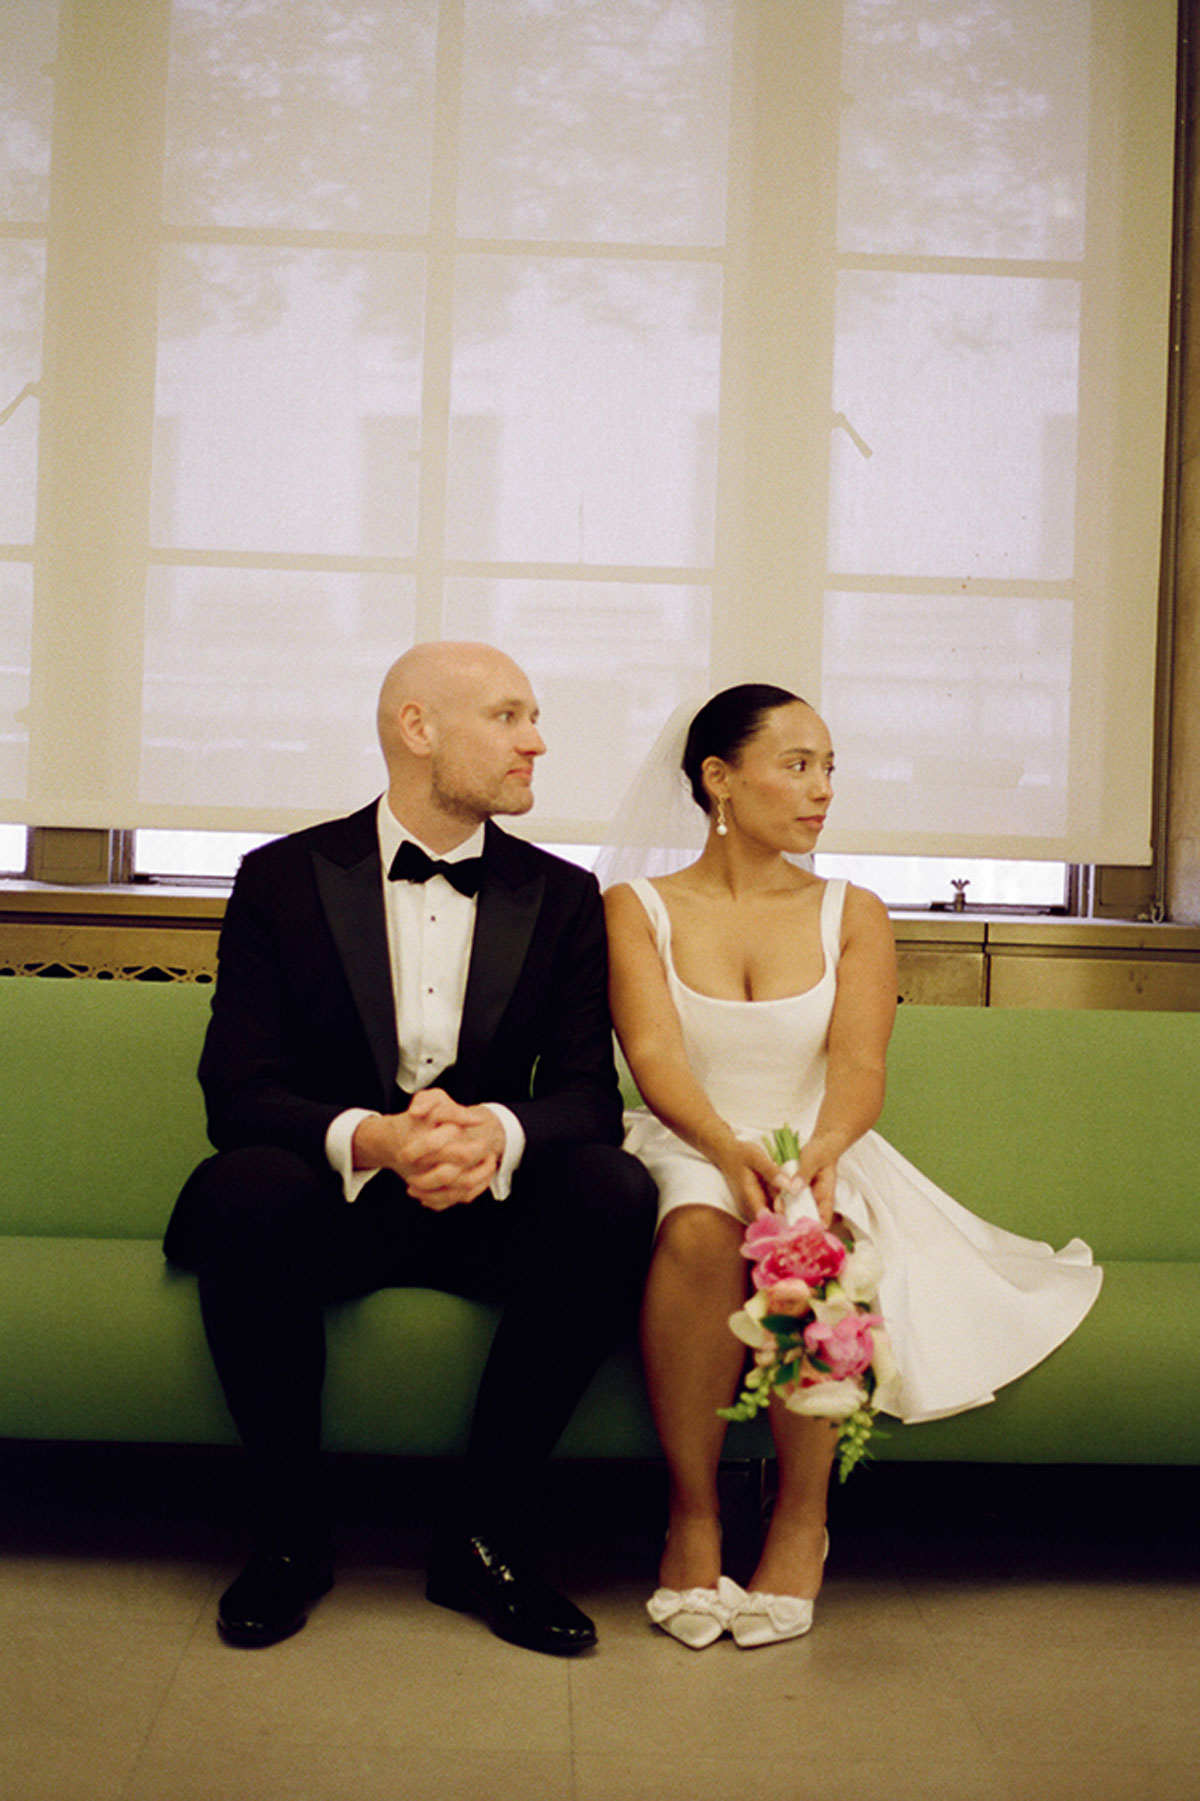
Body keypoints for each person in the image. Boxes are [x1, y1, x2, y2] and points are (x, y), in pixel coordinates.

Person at [164, 641, 657, 1655]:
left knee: (611, 1188)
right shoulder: (281, 879)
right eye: (510, 717)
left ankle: (484, 1537)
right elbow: (238, 1090)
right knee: (243, 1185)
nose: (538, 741)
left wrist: (495, 1132)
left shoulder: (563, 899)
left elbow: (585, 1098)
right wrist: (375, 1139)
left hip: (487, 1217)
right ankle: (291, 1538)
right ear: (417, 728)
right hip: (328, 1210)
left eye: (535, 717)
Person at [602, 684, 1102, 1650]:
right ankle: (694, 1515)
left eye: (830, 768)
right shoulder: (637, 908)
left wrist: (817, 1158)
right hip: (687, 1137)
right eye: (797, 765)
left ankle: (801, 1522)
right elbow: (655, 1057)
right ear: (719, 778)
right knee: (700, 1225)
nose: (822, 789)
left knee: (814, 1239)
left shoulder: (853, 911)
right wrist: (721, 1148)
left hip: (817, 1145)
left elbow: (861, 1068)